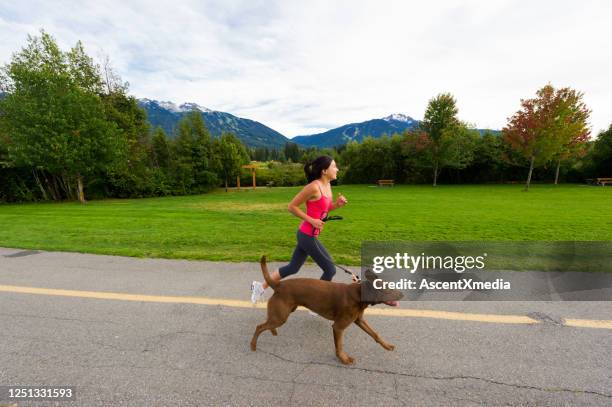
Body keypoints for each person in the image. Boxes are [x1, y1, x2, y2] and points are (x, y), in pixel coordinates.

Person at [250, 155, 348, 304]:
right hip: (306, 235)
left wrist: (337, 205)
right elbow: (291, 207)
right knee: (330, 269)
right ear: (324, 171)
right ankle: (317, 302)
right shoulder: (313, 187)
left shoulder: (327, 186)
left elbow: (325, 208)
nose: (337, 169)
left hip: (310, 235)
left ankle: (260, 287)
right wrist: (311, 220)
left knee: (293, 267)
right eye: (334, 166)